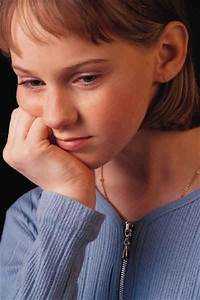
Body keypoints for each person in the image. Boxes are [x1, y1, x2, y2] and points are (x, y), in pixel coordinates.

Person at [0, 1, 200, 299]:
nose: (56, 116)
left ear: (167, 54)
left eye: (86, 78)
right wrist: (67, 205)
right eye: (33, 82)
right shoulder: (29, 220)